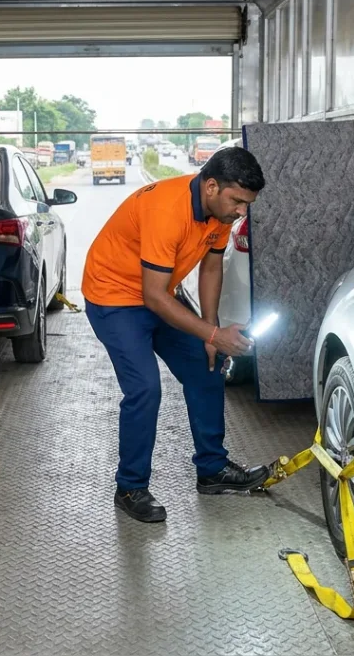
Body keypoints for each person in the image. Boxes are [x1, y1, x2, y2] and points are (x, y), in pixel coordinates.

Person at [82, 147, 268, 523]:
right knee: (145, 388)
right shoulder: (167, 210)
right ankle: (130, 487)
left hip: (159, 294)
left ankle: (212, 470)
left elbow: (211, 268)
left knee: (207, 366)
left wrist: (210, 335)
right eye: (237, 202)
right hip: (114, 297)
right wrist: (213, 333)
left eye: (247, 205)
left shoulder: (219, 211)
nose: (241, 212)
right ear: (211, 186)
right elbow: (153, 297)